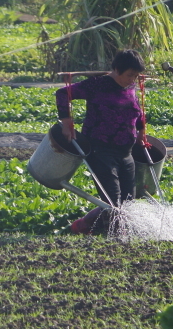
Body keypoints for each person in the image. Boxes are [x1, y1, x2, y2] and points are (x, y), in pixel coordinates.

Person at [56, 49, 147, 234]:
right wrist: (67, 122)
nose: (132, 79)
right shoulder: (97, 85)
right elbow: (62, 93)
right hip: (100, 150)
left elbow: (137, 110)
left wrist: (141, 131)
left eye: (136, 76)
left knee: (128, 202)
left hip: (126, 152)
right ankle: (112, 237)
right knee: (112, 199)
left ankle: (86, 227)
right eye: (130, 75)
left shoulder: (130, 87)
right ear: (116, 69)